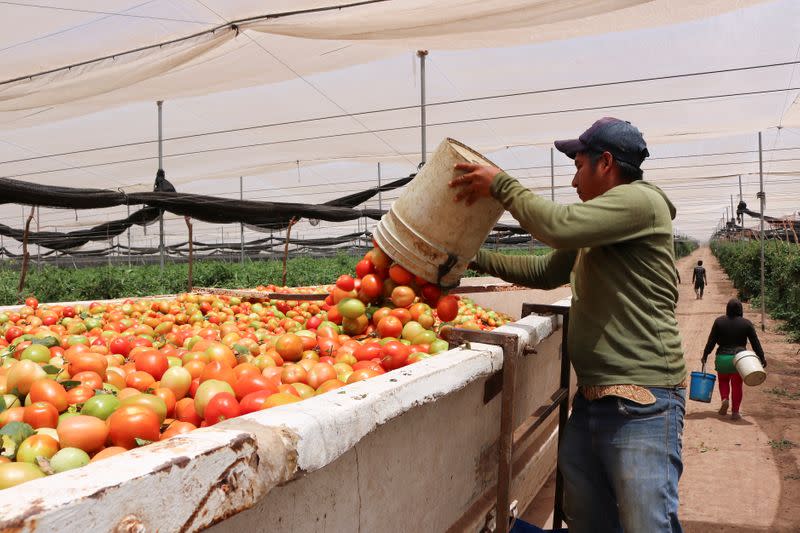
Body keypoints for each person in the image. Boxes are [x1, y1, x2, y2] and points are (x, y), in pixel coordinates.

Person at [450, 117, 686, 533]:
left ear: (606, 163)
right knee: (590, 523)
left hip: (642, 404)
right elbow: (546, 271)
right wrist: (472, 258)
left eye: (579, 166)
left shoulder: (641, 201)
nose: (574, 180)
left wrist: (503, 186)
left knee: (646, 525)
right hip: (593, 402)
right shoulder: (597, 221)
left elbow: (556, 227)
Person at [701, 298, 766, 420]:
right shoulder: (746, 323)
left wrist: (705, 355)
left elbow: (711, 341)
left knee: (724, 381)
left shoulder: (719, 322)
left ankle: (725, 398)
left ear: (727, 309)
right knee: (737, 385)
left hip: (722, 359)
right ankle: (735, 412)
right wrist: (761, 358)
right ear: (740, 310)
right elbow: (755, 343)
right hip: (739, 361)